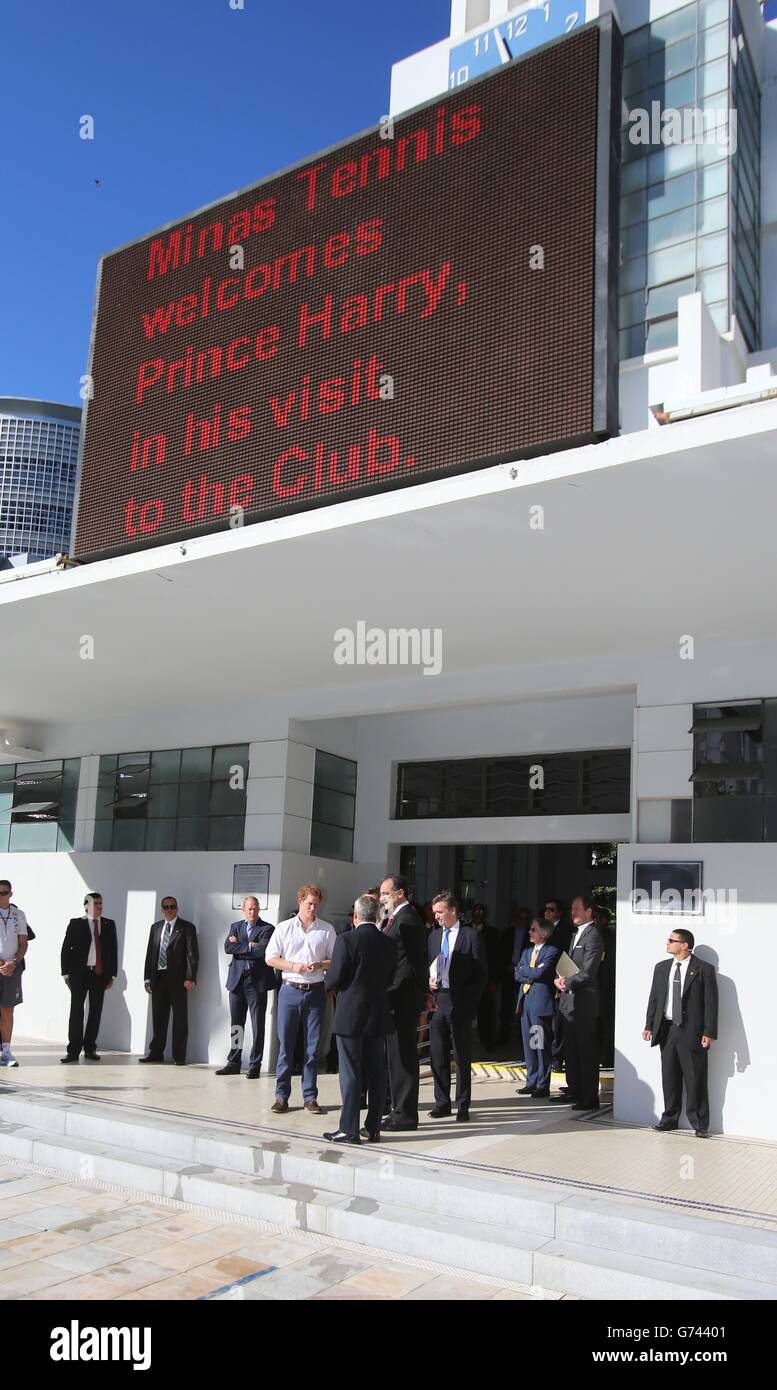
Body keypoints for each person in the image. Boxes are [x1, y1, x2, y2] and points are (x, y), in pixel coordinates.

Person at [323, 894, 397, 1145]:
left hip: (351, 1015)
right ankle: (373, 1127)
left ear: (355, 915)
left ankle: (349, 1129)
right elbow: (390, 978)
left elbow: (333, 978)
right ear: (377, 915)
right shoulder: (388, 943)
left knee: (351, 1073)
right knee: (376, 1073)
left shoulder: (346, 940)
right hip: (377, 1014)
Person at [265, 884, 336, 1115]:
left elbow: (335, 960)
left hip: (315, 990)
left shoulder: (326, 930)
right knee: (285, 1045)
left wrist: (320, 964)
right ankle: (281, 1096)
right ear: (300, 902)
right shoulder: (284, 928)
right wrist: (294, 965)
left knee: (312, 1048)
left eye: (316, 904)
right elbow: (270, 958)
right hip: (290, 989)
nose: (313, 908)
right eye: (309, 904)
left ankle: (310, 1096)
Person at [643, 928, 718, 1138]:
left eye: (671, 940)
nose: (667, 943)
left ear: (684, 945)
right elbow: (654, 999)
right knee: (669, 1077)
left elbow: (711, 1004)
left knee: (695, 1078)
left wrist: (709, 1031)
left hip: (691, 1031)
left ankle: (699, 1123)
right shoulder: (661, 968)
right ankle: (669, 1119)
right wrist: (649, 1025)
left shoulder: (704, 969)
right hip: (667, 1030)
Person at [427, 890, 487, 1122]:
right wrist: (430, 981)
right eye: (435, 913)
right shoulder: (433, 937)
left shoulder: (470, 936)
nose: (437, 917)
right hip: (438, 1001)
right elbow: (430, 965)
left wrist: (469, 1003)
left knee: (461, 1056)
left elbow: (482, 974)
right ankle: (442, 1102)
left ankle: (463, 1105)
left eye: (440, 912)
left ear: (453, 910)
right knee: (438, 1054)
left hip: (460, 1002)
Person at [378, 874, 427, 1131]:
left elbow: (416, 961)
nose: (382, 897)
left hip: (404, 997)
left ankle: (405, 1114)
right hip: (395, 996)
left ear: (399, 893)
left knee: (403, 1057)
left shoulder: (407, 919)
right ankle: (398, 1108)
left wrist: (419, 994)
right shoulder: (395, 917)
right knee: (395, 1056)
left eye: (386, 893)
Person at [553, 894, 602, 1112]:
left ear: (589, 911)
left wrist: (568, 982)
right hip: (569, 1004)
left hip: (583, 1006)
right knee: (572, 1052)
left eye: (576, 908)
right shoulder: (576, 935)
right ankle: (577, 1092)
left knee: (585, 1053)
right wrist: (561, 980)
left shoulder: (593, 936)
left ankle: (589, 1098)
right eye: (572, 908)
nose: (573, 912)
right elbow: (570, 967)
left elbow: (589, 972)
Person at [216, 895, 275, 1078]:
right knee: (237, 1025)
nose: (253, 912)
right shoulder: (236, 926)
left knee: (257, 1025)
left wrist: (241, 946)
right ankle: (234, 1061)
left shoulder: (267, 928)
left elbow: (262, 951)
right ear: (243, 909)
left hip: (256, 983)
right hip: (237, 981)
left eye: (256, 909)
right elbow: (228, 947)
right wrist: (250, 945)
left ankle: (255, 1064)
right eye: (249, 909)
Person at [60, 892, 118, 1063]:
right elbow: (65, 949)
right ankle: (73, 1050)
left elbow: (113, 950)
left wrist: (112, 975)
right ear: (86, 905)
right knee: (77, 1011)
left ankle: (90, 1047)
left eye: (101, 903)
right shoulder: (76, 924)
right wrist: (66, 973)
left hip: (99, 974)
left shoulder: (109, 924)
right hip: (79, 974)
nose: (99, 906)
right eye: (95, 903)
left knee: (95, 1011)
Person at [140, 896, 198, 1065]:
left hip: (178, 980)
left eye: (172, 907)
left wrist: (190, 977)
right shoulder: (156, 927)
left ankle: (179, 1056)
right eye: (166, 907)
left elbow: (192, 955)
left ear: (177, 908)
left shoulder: (186, 928)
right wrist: (147, 978)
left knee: (180, 1019)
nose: (169, 910)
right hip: (158, 979)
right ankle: (156, 1052)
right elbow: (150, 953)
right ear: (161, 909)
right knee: (158, 1017)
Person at [514, 918, 559, 1098]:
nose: (529, 932)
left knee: (541, 1045)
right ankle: (531, 1081)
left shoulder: (551, 951)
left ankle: (542, 1083)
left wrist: (526, 971)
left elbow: (541, 972)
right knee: (529, 1045)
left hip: (540, 1004)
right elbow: (517, 973)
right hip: (526, 1002)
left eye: (533, 929)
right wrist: (528, 972)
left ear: (544, 933)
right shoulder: (526, 952)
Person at [0, 879, 28, 1067]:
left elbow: (23, 943)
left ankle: (7, 1052)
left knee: (7, 1010)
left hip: (12, 969)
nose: (0, 896)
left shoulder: (19, 914)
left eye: (3, 893)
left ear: (11, 894)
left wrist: (13, 963)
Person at [595, 906, 616, 1067]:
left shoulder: (610, 937)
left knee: (606, 1025)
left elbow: (608, 963)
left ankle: (606, 1056)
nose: (596, 921)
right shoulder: (587, 935)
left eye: (599, 918)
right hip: (592, 987)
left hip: (606, 987)